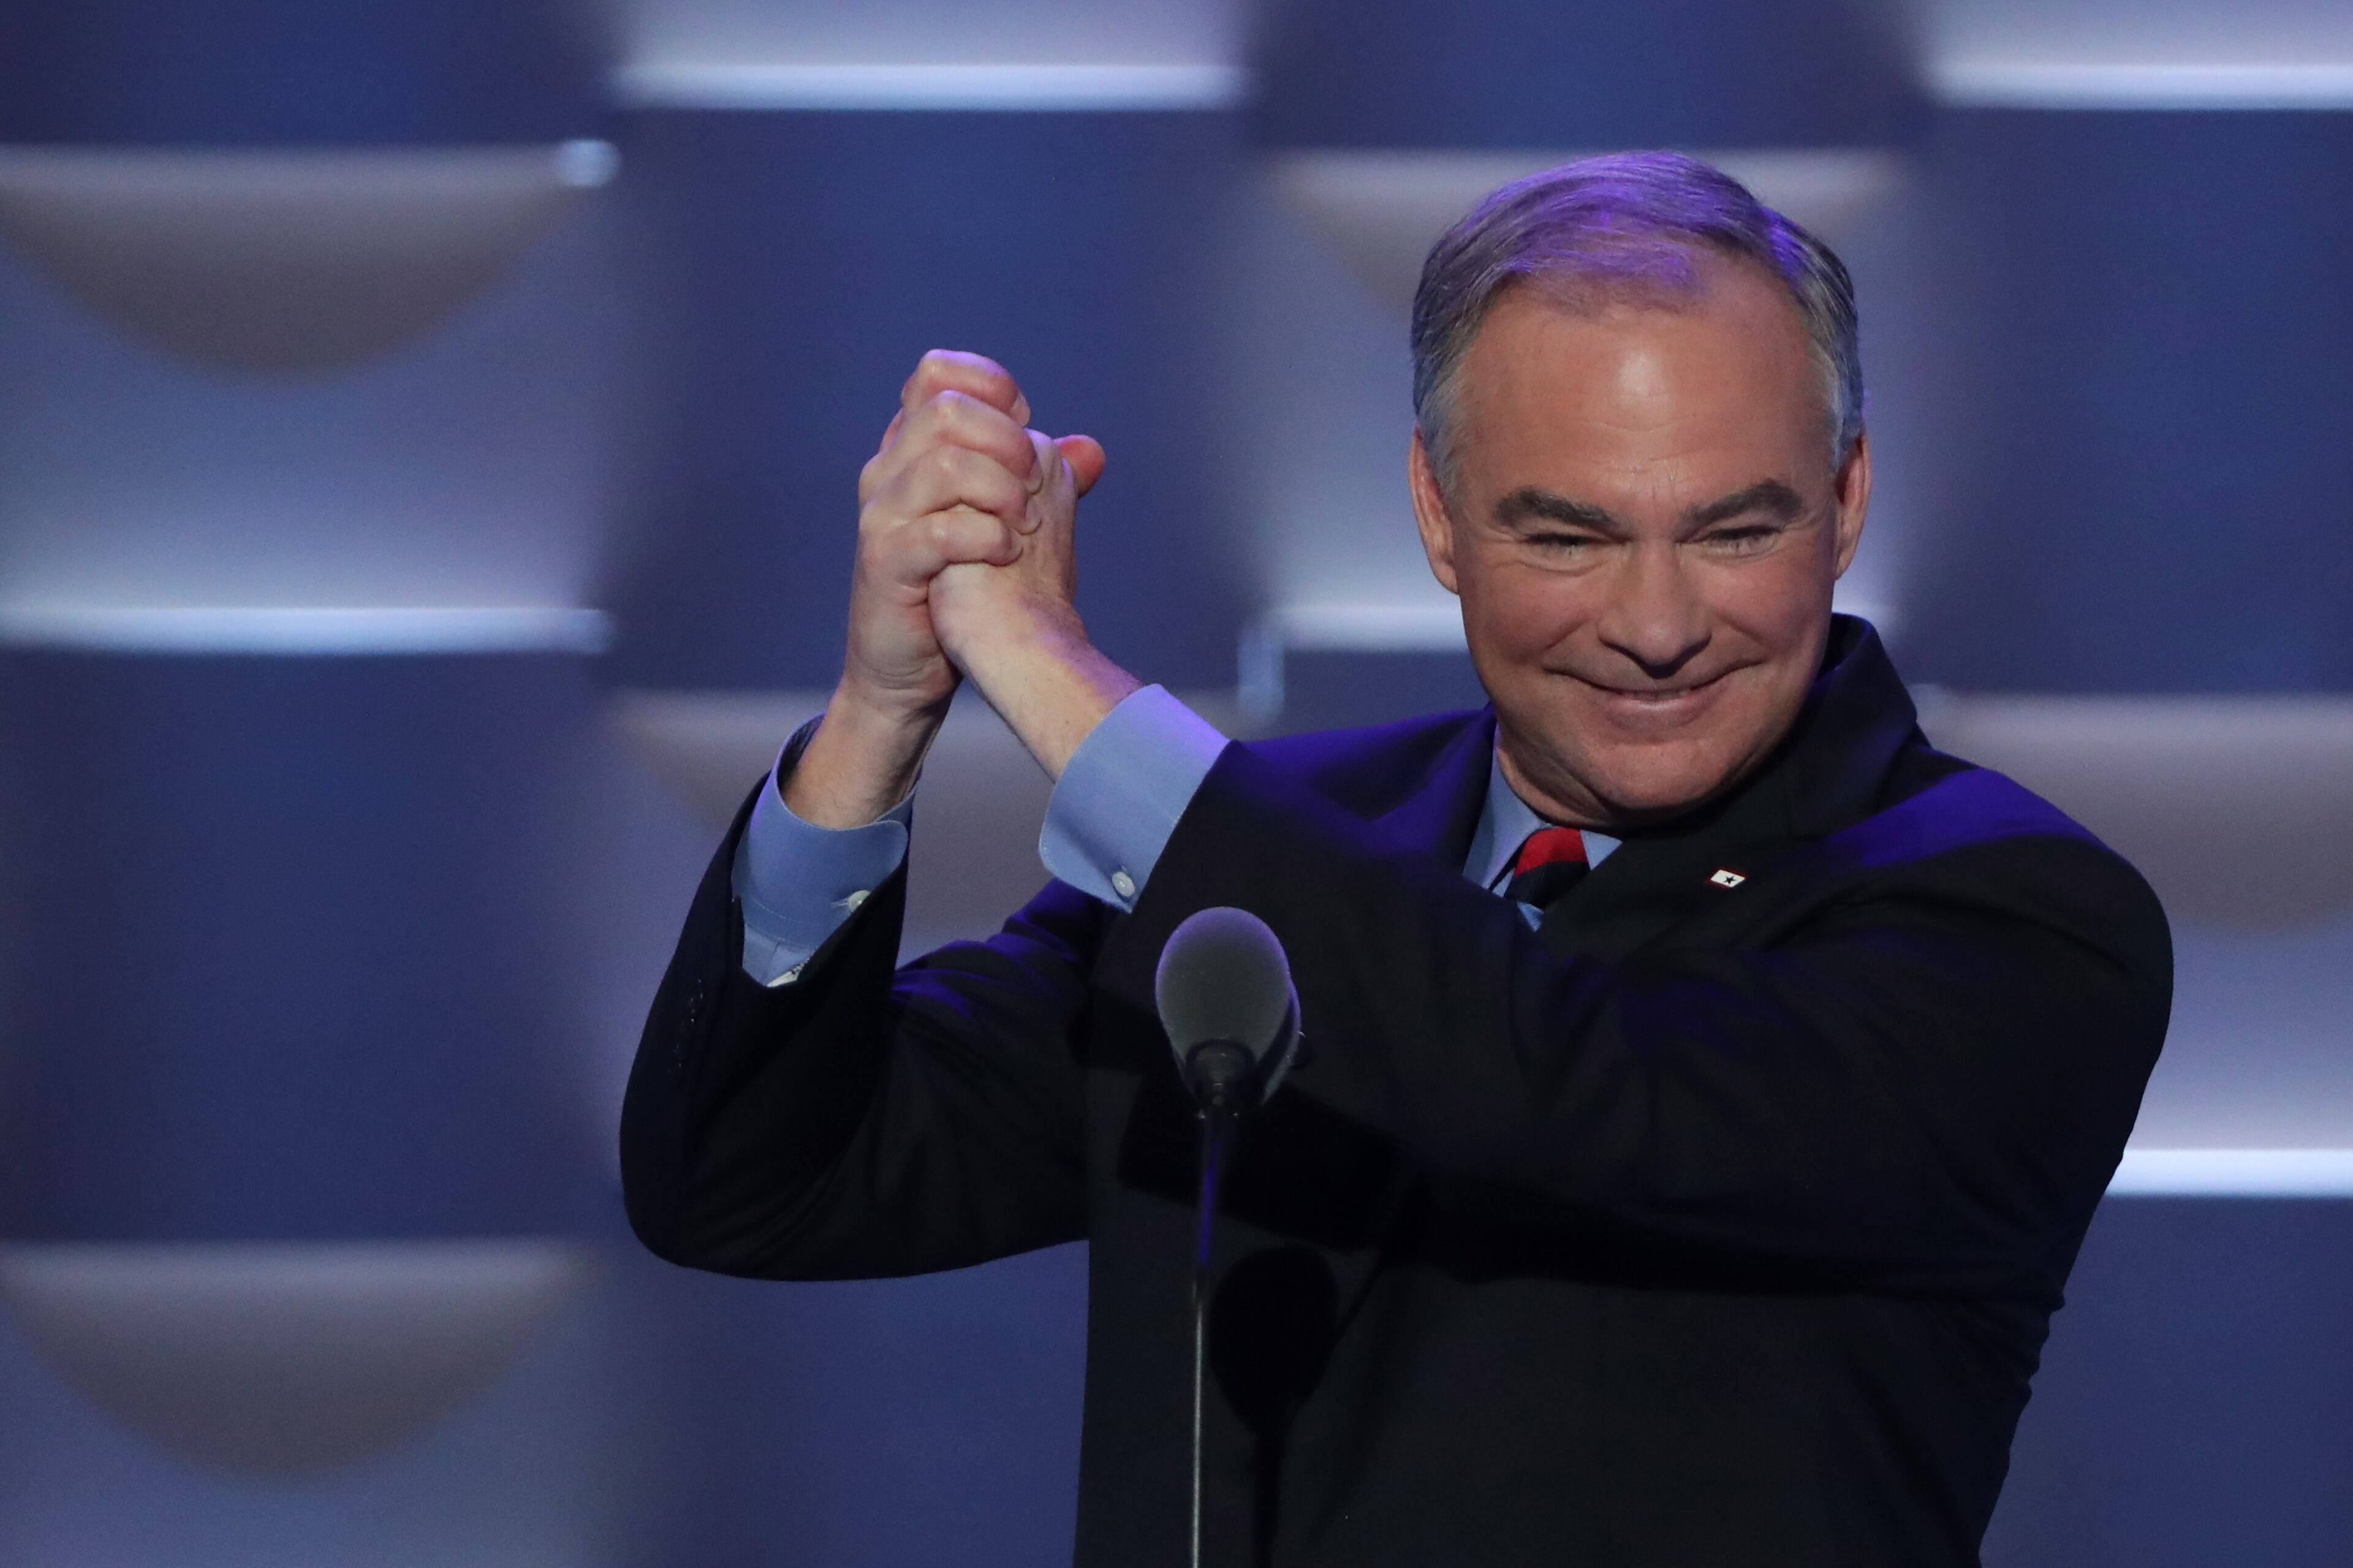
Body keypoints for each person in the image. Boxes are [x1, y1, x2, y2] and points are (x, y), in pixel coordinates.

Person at [621, 151, 2170, 1566]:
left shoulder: (2014, 913)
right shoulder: (1280, 848)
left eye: (1732, 531)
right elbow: (760, 1185)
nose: (1655, 623)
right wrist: (881, 717)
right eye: (1566, 536)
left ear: (1843, 503)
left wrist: (1065, 687)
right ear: (1440, 517)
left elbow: (1585, 1088)